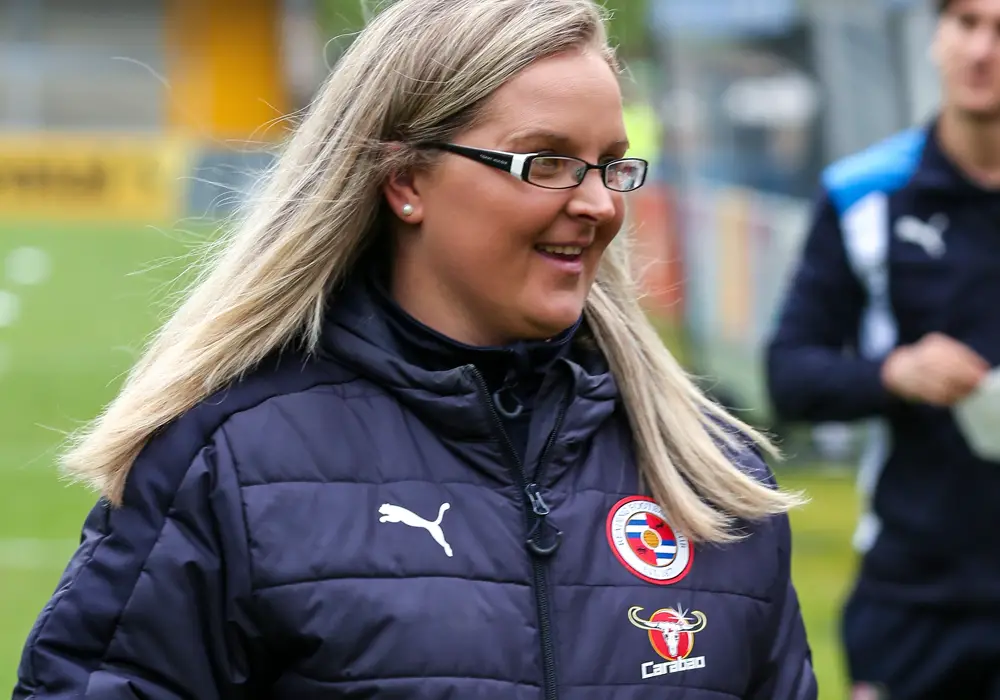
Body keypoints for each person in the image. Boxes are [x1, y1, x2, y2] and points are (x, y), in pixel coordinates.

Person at [14, 0, 817, 697]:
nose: (600, 204)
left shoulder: (711, 475)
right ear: (405, 181)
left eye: (612, 165)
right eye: (547, 162)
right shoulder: (227, 463)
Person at [766, 0, 1000, 697]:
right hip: (915, 593)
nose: (981, 50)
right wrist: (896, 373)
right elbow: (790, 374)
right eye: (964, 23)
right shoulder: (864, 194)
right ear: (935, 35)